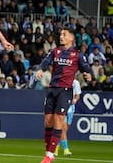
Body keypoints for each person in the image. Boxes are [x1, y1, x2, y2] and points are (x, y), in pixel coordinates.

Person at [35, 27, 93, 163]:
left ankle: (49, 155)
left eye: (64, 34)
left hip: (65, 91)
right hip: (52, 89)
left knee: (59, 120)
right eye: (60, 34)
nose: (61, 36)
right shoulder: (55, 51)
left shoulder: (77, 55)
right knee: (48, 121)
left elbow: (87, 68)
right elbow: (45, 62)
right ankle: (48, 151)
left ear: (71, 38)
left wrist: (88, 74)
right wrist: (40, 70)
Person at [54, 79, 81, 157]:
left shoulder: (76, 82)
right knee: (63, 129)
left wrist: (75, 99)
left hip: (71, 108)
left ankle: (56, 148)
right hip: (63, 106)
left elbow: (78, 94)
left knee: (65, 129)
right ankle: (66, 150)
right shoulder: (62, 81)